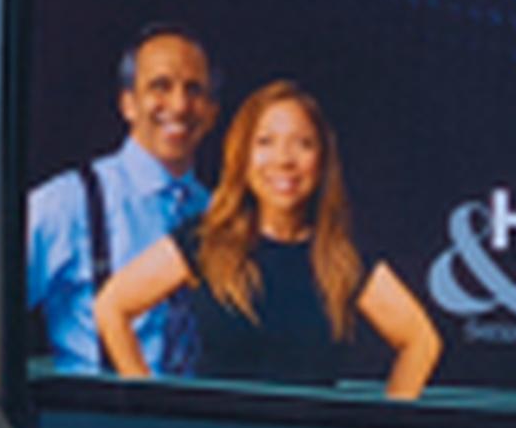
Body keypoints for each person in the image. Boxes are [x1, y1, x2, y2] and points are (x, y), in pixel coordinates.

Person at [90, 81, 441, 397]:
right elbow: (112, 306)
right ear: (243, 156)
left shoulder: (342, 257)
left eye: (302, 144)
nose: (284, 160)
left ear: (321, 161)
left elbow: (421, 341)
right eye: (265, 142)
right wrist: (146, 405)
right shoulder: (206, 240)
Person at [18, 27, 218, 373]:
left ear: (212, 110)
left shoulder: (219, 213)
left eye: (194, 89)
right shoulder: (69, 202)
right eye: (160, 86)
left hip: (197, 422)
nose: (180, 105)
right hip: (92, 420)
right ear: (128, 103)